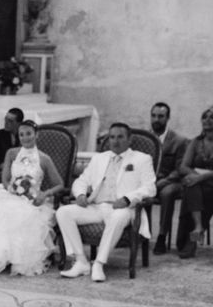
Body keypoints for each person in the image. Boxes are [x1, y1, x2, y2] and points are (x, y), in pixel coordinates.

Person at [0, 120, 64, 275]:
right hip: (10, 193)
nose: (25, 138)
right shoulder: (12, 153)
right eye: (21, 135)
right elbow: (5, 178)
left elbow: (59, 184)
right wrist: (12, 188)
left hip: (31, 199)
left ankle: (12, 258)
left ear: (36, 135)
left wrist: (44, 194)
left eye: (29, 134)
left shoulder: (44, 158)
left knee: (20, 215)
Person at [56, 123, 156, 282]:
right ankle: (81, 261)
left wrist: (127, 199)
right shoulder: (99, 158)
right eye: (112, 137)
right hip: (96, 206)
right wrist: (81, 194)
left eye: (120, 137)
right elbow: (81, 181)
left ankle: (99, 263)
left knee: (118, 216)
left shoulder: (142, 159)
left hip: (124, 208)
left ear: (130, 140)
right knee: (63, 212)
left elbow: (149, 188)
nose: (115, 141)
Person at [149, 102, 189, 254]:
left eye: (160, 116)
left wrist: (161, 183)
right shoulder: (145, 139)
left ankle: (161, 236)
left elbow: (180, 169)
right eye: (153, 116)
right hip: (150, 182)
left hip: (173, 182)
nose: (156, 120)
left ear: (168, 118)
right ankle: (135, 235)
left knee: (167, 193)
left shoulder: (179, 141)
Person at [175, 105, 213, 259]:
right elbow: (183, 166)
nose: (208, 120)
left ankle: (195, 234)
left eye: (212, 117)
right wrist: (195, 175)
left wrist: (201, 176)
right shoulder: (196, 142)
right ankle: (197, 228)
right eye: (205, 117)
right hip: (199, 186)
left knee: (196, 185)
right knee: (192, 185)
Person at [0, 107, 24, 184]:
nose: (6, 123)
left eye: (10, 121)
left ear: (19, 123)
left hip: (22, 171)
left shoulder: (24, 137)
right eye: (5, 119)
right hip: (2, 171)